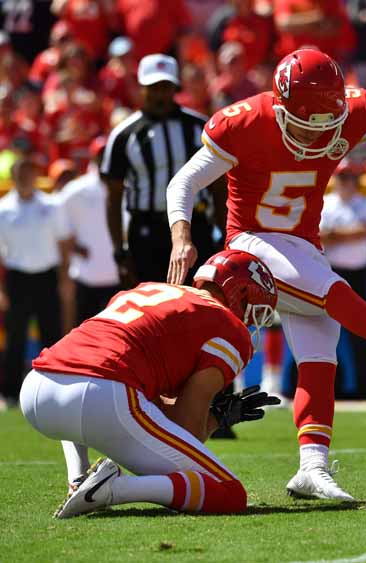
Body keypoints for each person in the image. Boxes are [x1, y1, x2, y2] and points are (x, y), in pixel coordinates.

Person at [165, 48, 366, 501]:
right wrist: (181, 236)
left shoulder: (350, 109)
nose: (319, 134)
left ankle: (312, 469)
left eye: (330, 122)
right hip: (252, 242)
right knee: (333, 295)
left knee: (322, 353)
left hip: (304, 244)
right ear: (282, 106)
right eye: (308, 123)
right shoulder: (243, 121)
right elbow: (182, 182)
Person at [19, 249, 280, 518]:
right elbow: (185, 431)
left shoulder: (145, 290)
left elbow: (149, 410)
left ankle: (78, 480)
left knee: (86, 378)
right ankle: (116, 489)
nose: (250, 323)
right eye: (255, 313)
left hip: (38, 386)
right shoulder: (228, 326)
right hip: (100, 393)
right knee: (229, 492)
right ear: (242, 294)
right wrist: (215, 419)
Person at [101, 54, 226, 286]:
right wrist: (119, 251)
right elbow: (113, 197)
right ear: (141, 88)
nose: (160, 95)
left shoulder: (200, 127)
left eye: (165, 87)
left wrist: (224, 235)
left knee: (198, 301)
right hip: (147, 231)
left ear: (175, 87)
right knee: (152, 306)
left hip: (195, 227)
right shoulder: (124, 135)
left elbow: (220, 187)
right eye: (154, 88)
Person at [0, 156, 72, 409]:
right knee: (15, 337)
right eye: (19, 174)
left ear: (34, 175)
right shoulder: (3, 209)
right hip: (17, 278)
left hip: (46, 276)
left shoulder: (51, 205)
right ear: (14, 177)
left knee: (51, 333)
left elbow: (64, 243)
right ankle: (9, 394)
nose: (24, 178)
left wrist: (64, 278)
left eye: (28, 172)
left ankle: (53, 390)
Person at [320, 159, 366, 397]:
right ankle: (334, 387)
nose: (346, 182)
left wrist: (335, 235)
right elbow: (319, 234)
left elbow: (365, 230)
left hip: (358, 273)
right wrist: (341, 235)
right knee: (326, 331)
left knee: (359, 330)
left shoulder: (364, 204)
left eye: (350, 178)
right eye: (342, 177)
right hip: (330, 272)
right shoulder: (327, 203)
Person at [57, 136, 121, 325]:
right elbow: (61, 231)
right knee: (84, 330)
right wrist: (75, 249)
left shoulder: (125, 186)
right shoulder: (75, 190)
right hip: (86, 275)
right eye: (101, 155)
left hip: (117, 274)